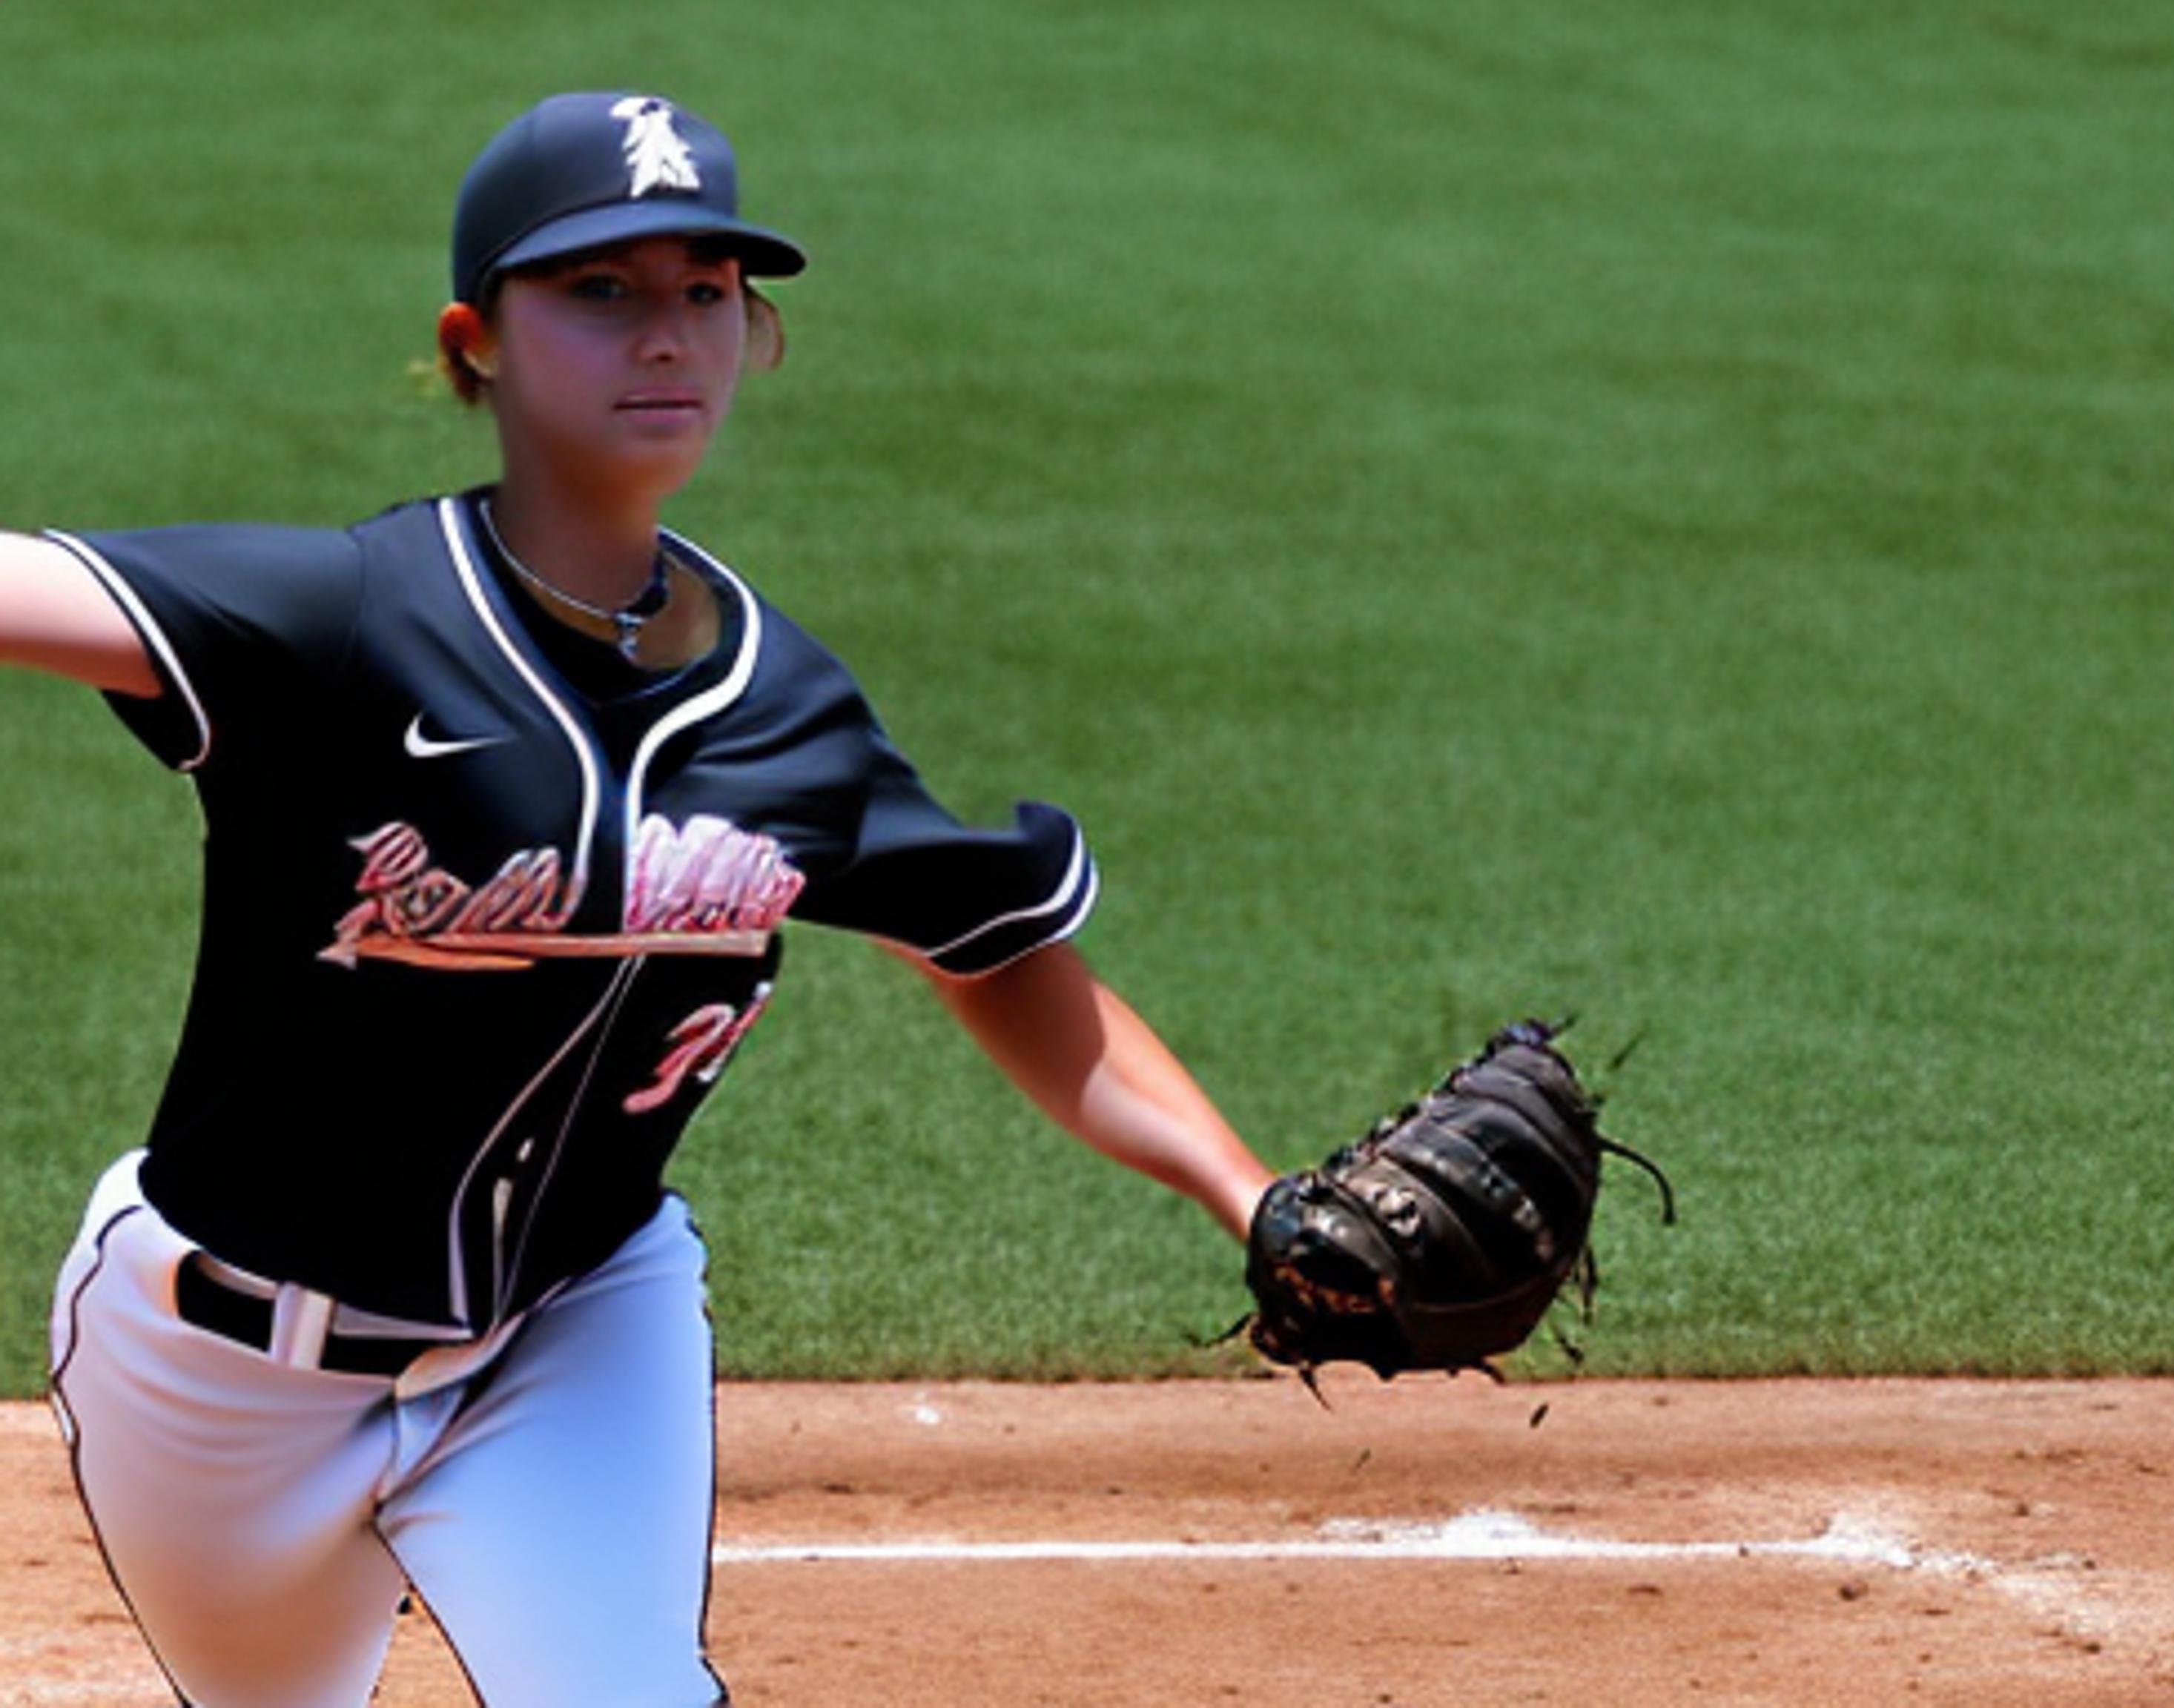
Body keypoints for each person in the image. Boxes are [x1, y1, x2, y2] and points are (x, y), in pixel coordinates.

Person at [1, 90, 1278, 1707]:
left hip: (577, 1320)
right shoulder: (343, 621)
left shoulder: (786, 705)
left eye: (705, 291)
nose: (665, 334)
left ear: (756, 335)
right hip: (215, 1369)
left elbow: (994, 951)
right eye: (599, 289)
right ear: (476, 341)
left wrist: (1256, 1195)